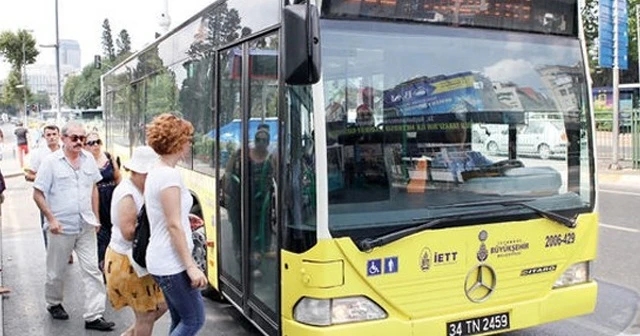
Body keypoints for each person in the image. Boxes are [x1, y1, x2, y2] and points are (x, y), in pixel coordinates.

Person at [32, 121, 116, 331]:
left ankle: (93, 316)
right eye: (75, 138)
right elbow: (38, 193)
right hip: (61, 227)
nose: (80, 142)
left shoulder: (88, 159)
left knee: (93, 271)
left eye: (82, 138)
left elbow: (94, 189)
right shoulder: (51, 163)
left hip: (86, 225)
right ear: (64, 139)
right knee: (55, 272)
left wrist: (95, 217)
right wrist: (51, 219)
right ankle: (53, 303)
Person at [145, 113, 206, 335]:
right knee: (194, 320)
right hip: (171, 262)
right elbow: (173, 225)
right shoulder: (169, 176)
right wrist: (191, 267)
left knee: (180, 318)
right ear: (177, 142)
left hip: (162, 258)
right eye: (187, 139)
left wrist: (183, 217)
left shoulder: (157, 170)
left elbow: (168, 217)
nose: (189, 144)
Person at [105, 146, 167, 336]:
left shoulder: (141, 189)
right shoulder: (127, 193)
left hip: (138, 260)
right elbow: (128, 232)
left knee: (162, 305)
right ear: (140, 172)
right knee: (146, 315)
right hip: (128, 261)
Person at [84, 132, 121, 272]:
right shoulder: (84, 161)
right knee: (101, 235)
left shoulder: (109, 157)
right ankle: (103, 268)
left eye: (97, 141)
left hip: (112, 199)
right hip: (96, 201)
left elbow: (118, 178)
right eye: (91, 143)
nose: (95, 145)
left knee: (115, 232)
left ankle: (115, 266)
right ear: (86, 146)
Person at [25, 125, 64, 251]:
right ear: (44, 137)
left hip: (65, 197)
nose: (52, 137)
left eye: (54, 134)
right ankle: (51, 253)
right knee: (48, 226)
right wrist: (44, 179)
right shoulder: (39, 154)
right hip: (46, 199)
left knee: (66, 225)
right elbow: (29, 175)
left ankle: (66, 252)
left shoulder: (66, 151)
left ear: (59, 136)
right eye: (49, 135)